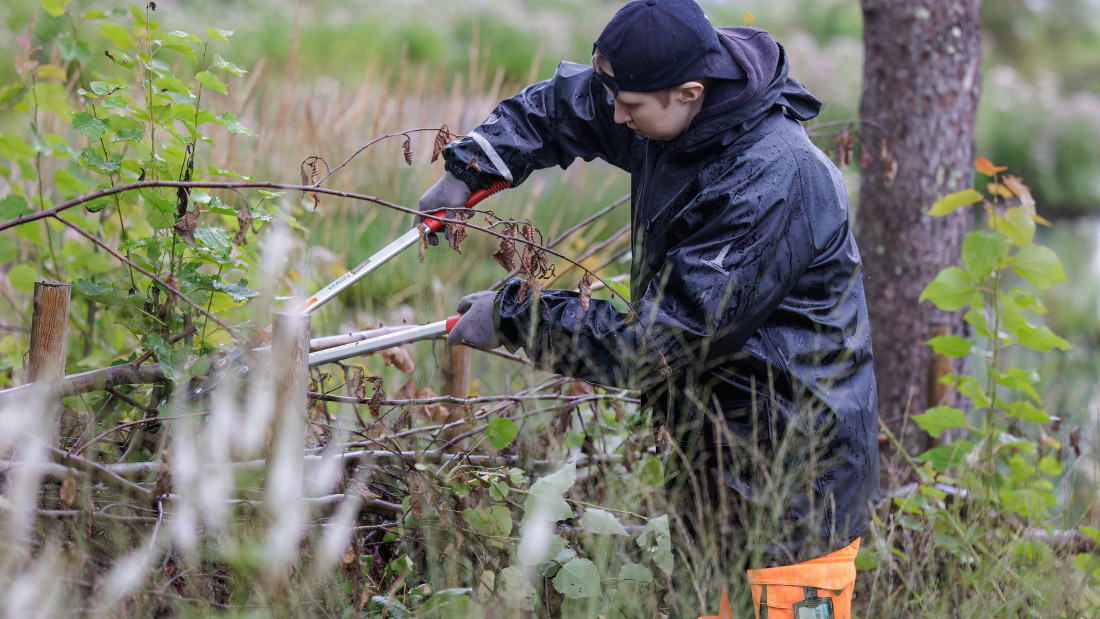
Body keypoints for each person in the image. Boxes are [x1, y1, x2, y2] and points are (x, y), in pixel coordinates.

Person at [418, 1, 879, 617]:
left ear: (691, 90)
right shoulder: (667, 109)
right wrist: (474, 165)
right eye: (617, 98)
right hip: (712, 454)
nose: (616, 116)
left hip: (792, 476)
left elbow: (660, 341)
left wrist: (515, 318)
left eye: (629, 107)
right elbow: (566, 106)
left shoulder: (770, 180)